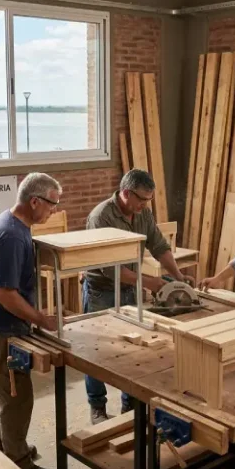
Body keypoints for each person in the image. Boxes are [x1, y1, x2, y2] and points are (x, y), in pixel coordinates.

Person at [83, 169, 195, 424]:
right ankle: (97, 406)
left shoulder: (143, 212)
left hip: (129, 288)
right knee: (95, 351)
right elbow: (108, 267)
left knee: (131, 347)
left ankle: (130, 405)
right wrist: (150, 282)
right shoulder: (101, 217)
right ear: (125, 193)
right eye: (142, 199)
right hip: (101, 289)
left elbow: (158, 245)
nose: (145, 205)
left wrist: (177, 276)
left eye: (149, 200)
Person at [0, 172, 62, 469]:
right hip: (2, 327)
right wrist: (40, 319)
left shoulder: (12, 224)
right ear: (34, 201)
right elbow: (5, 294)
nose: (53, 211)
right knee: (16, 395)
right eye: (51, 204)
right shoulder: (12, 236)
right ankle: (18, 462)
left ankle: (2, 445)